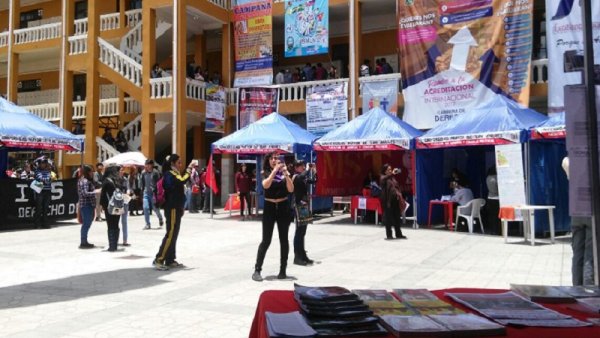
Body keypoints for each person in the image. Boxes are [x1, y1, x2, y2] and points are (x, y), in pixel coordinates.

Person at [252, 152, 294, 281]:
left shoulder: (284, 173)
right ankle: (257, 270)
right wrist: (274, 171)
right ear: (268, 160)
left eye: (277, 158)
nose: (275, 160)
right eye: (272, 158)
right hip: (270, 207)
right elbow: (265, 185)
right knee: (266, 240)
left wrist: (286, 174)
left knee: (284, 239)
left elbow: (291, 189)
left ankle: (283, 270)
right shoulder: (264, 172)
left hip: (283, 207)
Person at [153, 154, 190, 271]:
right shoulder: (169, 174)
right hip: (171, 208)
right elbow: (182, 181)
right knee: (170, 234)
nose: (181, 164)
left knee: (174, 234)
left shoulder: (175, 174)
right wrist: (188, 170)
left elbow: (180, 191)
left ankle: (170, 259)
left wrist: (182, 206)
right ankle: (159, 259)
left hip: (177, 207)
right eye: (179, 162)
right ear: (172, 163)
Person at [563, 156, 594, 285]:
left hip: (576, 210)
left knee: (577, 253)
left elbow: (565, 162)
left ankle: (576, 287)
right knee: (590, 254)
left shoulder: (569, 161)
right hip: (592, 209)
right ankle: (588, 289)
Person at [292, 160, 316, 266]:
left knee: (303, 232)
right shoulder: (295, 177)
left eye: (303, 166)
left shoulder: (303, 176)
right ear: (296, 168)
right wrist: (307, 169)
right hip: (298, 205)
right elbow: (302, 177)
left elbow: (313, 181)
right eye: (301, 166)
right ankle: (297, 257)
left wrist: (314, 171)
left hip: (304, 205)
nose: (303, 168)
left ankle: (303, 255)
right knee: (299, 232)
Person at [380, 164, 407, 240]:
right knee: (388, 219)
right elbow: (384, 180)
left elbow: (396, 187)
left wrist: (400, 195)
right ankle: (389, 235)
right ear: (384, 171)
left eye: (390, 169)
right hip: (388, 202)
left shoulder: (392, 178)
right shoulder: (383, 178)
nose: (390, 171)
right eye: (388, 169)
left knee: (397, 218)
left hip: (395, 201)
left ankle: (398, 234)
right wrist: (392, 173)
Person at [100, 164, 123, 252]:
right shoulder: (117, 181)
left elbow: (103, 195)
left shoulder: (106, 181)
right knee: (116, 224)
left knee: (110, 225)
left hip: (109, 206)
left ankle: (112, 246)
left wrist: (102, 205)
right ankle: (115, 245)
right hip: (118, 206)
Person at [77, 165, 98, 249]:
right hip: (86, 204)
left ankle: (84, 241)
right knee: (86, 224)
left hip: (88, 204)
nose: (92, 173)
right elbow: (84, 193)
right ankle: (83, 242)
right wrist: (95, 192)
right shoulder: (84, 181)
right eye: (91, 172)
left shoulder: (86, 181)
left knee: (87, 223)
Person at [141, 159, 164, 229]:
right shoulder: (143, 173)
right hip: (146, 193)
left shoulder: (156, 173)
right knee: (145, 208)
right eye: (145, 164)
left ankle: (160, 218)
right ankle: (147, 224)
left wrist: (158, 194)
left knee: (155, 209)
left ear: (151, 165)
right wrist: (141, 192)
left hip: (154, 194)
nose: (146, 166)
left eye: (148, 164)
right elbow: (142, 183)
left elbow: (159, 184)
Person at [33, 158, 53, 229]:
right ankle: (37, 224)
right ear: (39, 164)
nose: (43, 164)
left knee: (45, 208)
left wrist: (46, 180)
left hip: (47, 191)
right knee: (39, 208)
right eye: (41, 163)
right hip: (40, 191)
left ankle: (45, 223)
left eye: (44, 163)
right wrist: (46, 180)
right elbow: (40, 179)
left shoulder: (47, 171)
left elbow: (50, 179)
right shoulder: (37, 171)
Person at [120, 167, 132, 246]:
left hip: (124, 202)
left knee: (124, 221)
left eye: (122, 170)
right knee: (115, 221)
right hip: (117, 203)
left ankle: (125, 240)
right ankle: (114, 239)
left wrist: (128, 192)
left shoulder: (125, 179)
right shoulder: (115, 180)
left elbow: (128, 188)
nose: (121, 171)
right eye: (120, 170)